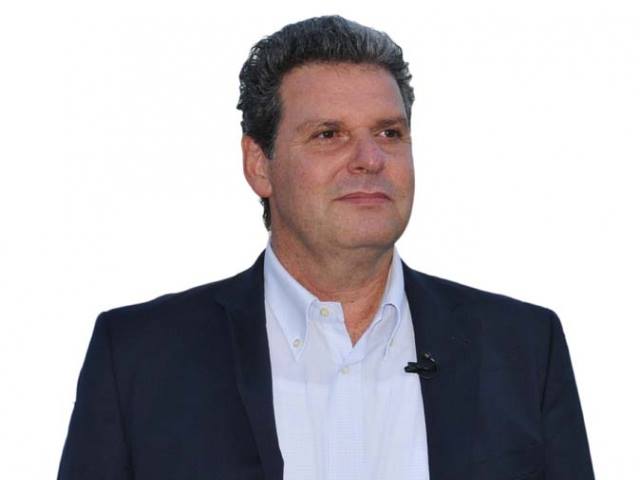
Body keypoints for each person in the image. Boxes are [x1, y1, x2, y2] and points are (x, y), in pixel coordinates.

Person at [57, 15, 595, 480]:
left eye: (389, 133)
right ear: (259, 165)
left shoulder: (524, 349)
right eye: (328, 134)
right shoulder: (139, 359)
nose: (369, 159)